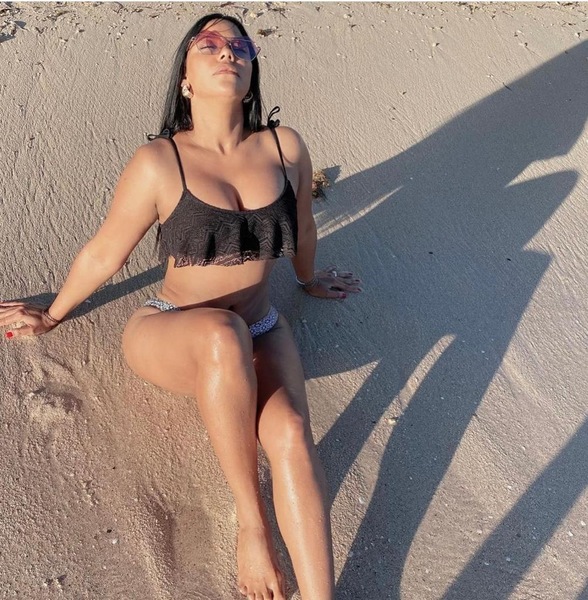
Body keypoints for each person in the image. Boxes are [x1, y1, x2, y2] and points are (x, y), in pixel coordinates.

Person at [0, 13, 361, 600]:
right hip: (171, 331)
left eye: (239, 45)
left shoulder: (284, 146)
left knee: (294, 432)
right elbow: (106, 251)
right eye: (209, 44)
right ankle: (252, 527)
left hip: (260, 325)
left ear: (252, 71)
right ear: (186, 80)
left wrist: (309, 278)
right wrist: (54, 313)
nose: (228, 52)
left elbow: (302, 226)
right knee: (221, 333)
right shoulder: (159, 161)